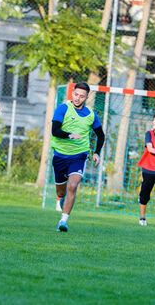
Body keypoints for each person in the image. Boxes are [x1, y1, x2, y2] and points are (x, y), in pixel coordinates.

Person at [51, 82, 105, 232]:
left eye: (82, 96)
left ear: (86, 97)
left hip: (79, 155)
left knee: (73, 186)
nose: (78, 98)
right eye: (76, 94)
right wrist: (69, 135)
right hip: (60, 155)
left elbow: (101, 135)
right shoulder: (63, 108)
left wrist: (96, 152)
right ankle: (61, 199)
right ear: (72, 93)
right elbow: (54, 130)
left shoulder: (91, 115)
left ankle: (63, 221)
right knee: (61, 192)